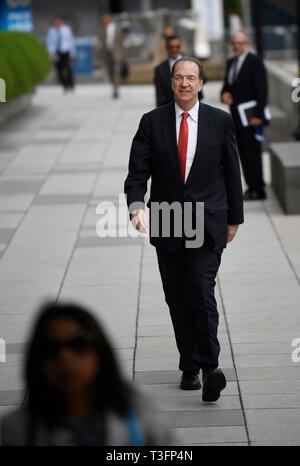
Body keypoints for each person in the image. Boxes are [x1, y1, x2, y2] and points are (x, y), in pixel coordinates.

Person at [124, 57, 244, 402]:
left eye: (192, 78)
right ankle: (189, 365)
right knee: (178, 296)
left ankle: (211, 368)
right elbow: (137, 173)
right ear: (171, 83)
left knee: (201, 291)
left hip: (208, 222)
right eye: (179, 78)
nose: (185, 84)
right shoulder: (152, 122)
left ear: (201, 84)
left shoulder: (220, 121)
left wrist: (234, 218)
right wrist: (136, 206)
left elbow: (232, 172)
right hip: (168, 219)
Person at [0, 302, 173, 446]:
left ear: (100, 352)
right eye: (50, 348)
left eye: (78, 344)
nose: (65, 357)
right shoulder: (15, 430)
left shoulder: (137, 410)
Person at [221, 32, 269, 201]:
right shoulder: (231, 62)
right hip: (236, 117)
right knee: (242, 152)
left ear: (246, 44)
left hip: (251, 116)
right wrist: (224, 94)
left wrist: (259, 115)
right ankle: (251, 186)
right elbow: (227, 85)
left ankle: (259, 188)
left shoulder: (254, 61)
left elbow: (262, 90)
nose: (236, 46)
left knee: (253, 152)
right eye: (234, 43)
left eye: (240, 43)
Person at [154, 35, 205, 108]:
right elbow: (159, 94)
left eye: (177, 46)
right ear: (166, 48)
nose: (174, 49)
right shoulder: (160, 69)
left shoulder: (193, 63)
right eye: (171, 47)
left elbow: (203, 77)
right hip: (170, 108)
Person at [46, 16, 76, 92]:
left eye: (59, 21)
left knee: (68, 68)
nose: (57, 23)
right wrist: (51, 51)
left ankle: (71, 85)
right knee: (59, 70)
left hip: (66, 51)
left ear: (62, 22)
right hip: (57, 52)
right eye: (56, 22)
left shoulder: (67, 29)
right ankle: (64, 85)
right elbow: (50, 42)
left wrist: (72, 52)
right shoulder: (51, 31)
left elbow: (71, 41)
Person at [100, 13, 125, 99]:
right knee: (110, 72)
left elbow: (121, 42)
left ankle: (115, 90)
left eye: (105, 20)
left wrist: (123, 54)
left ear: (109, 19)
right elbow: (101, 41)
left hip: (117, 53)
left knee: (116, 72)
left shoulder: (117, 29)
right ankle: (114, 86)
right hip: (107, 54)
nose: (104, 22)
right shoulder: (103, 29)